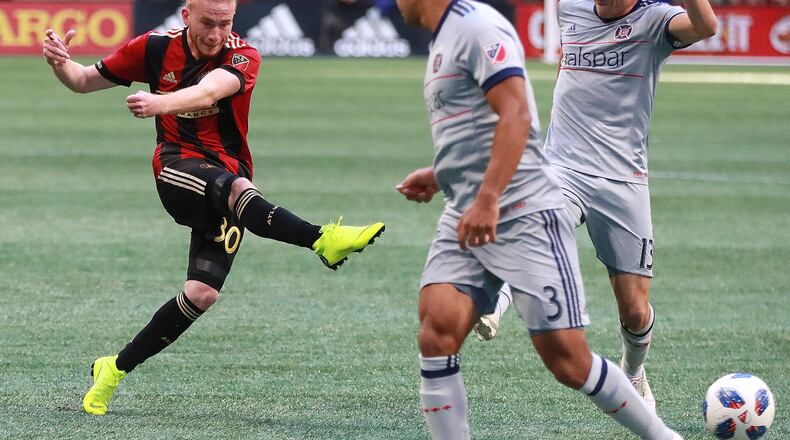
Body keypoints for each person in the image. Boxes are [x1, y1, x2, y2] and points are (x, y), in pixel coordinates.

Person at [42, 0, 385, 416]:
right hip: (176, 167)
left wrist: (159, 103)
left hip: (226, 171)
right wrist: (61, 63)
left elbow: (210, 91)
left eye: (225, 23)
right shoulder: (152, 48)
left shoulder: (244, 54)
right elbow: (81, 80)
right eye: (207, 22)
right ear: (186, 16)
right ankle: (324, 240)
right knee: (239, 190)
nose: (215, 33)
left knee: (201, 294)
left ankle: (112, 369)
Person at [395, 0, 683, 438]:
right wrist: (442, 174)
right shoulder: (444, 37)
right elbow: (476, 126)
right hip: (467, 209)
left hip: (524, 207)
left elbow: (516, 115)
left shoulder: (479, 28)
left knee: (569, 361)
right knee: (436, 332)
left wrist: (489, 198)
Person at [474, 0, 717, 410]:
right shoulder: (571, 9)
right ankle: (494, 298)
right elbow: (567, 64)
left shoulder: (655, 21)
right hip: (563, 167)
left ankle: (633, 372)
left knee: (636, 311)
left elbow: (706, 25)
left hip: (623, 181)